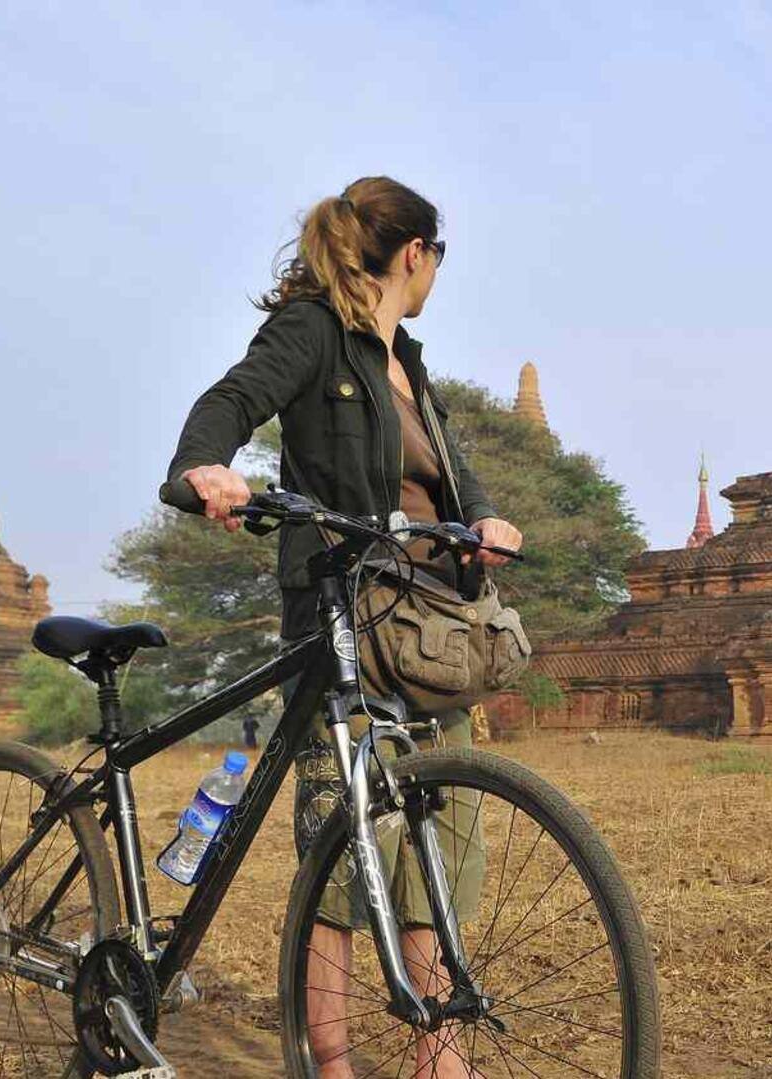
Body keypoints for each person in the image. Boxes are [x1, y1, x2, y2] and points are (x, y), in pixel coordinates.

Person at [164, 176, 520, 1079]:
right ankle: (330, 1060)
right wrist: (205, 465)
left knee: (438, 839)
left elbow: (451, 470)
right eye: (440, 256)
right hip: (344, 617)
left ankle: (437, 1050)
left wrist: (484, 518)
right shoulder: (315, 330)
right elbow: (235, 398)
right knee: (342, 841)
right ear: (416, 255)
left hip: (432, 622)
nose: (438, 271)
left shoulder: (411, 360)